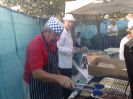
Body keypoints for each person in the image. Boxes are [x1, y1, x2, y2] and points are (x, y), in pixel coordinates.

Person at [23, 17, 75, 99]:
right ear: (47, 32)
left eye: (59, 35)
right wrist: (59, 78)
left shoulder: (52, 42)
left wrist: (61, 78)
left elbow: (53, 64)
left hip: (50, 82)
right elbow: (36, 73)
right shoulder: (36, 46)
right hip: (35, 84)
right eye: (56, 35)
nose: (58, 38)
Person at [57, 14, 76, 99]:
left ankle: (68, 96)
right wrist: (70, 51)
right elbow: (58, 47)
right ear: (64, 22)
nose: (70, 24)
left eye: (72, 22)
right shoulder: (62, 33)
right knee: (65, 85)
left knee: (68, 82)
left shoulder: (68, 32)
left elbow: (68, 46)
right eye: (69, 22)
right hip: (63, 64)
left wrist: (75, 49)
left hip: (68, 62)